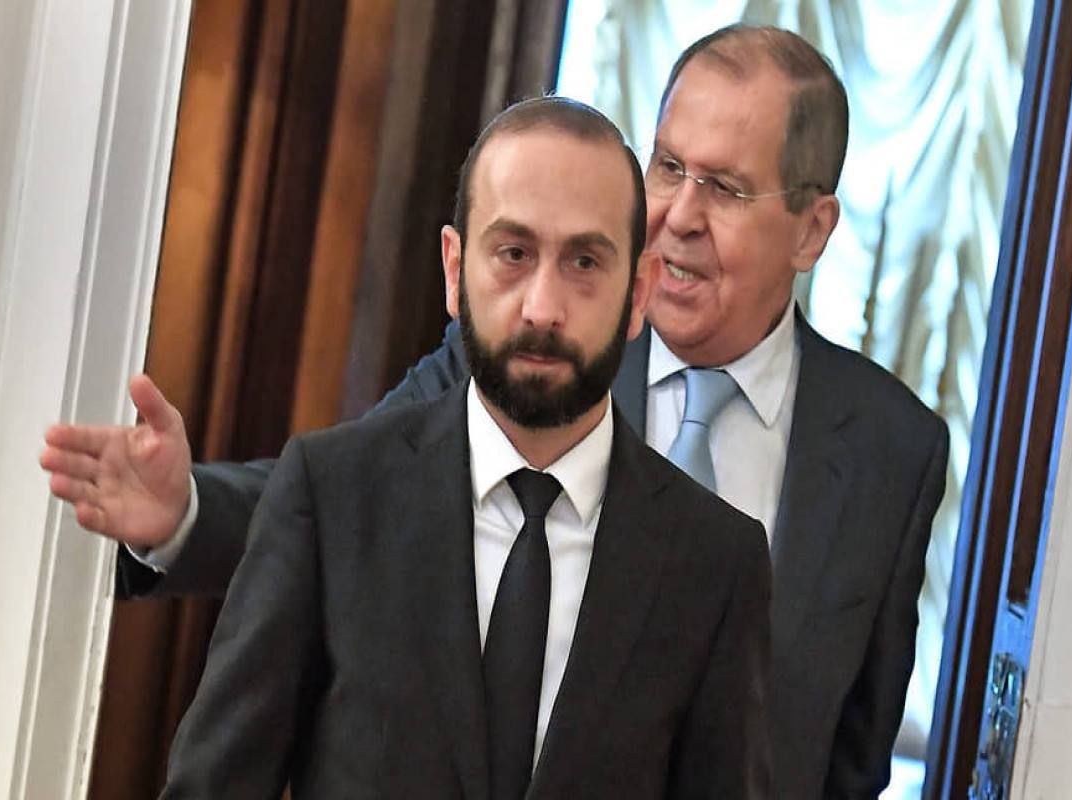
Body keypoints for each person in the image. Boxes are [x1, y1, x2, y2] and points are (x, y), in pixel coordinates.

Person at [43, 24, 947, 798]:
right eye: (669, 166)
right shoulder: (526, 355)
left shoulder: (893, 453)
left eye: (725, 187)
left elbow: (852, 761)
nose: (678, 213)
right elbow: (343, 505)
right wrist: (187, 513)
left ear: (813, 229)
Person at [158, 97, 772, 798]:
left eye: (584, 261)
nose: (543, 308)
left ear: (638, 293)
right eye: (514, 254)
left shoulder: (715, 563)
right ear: (454, 269)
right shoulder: (333, 496)